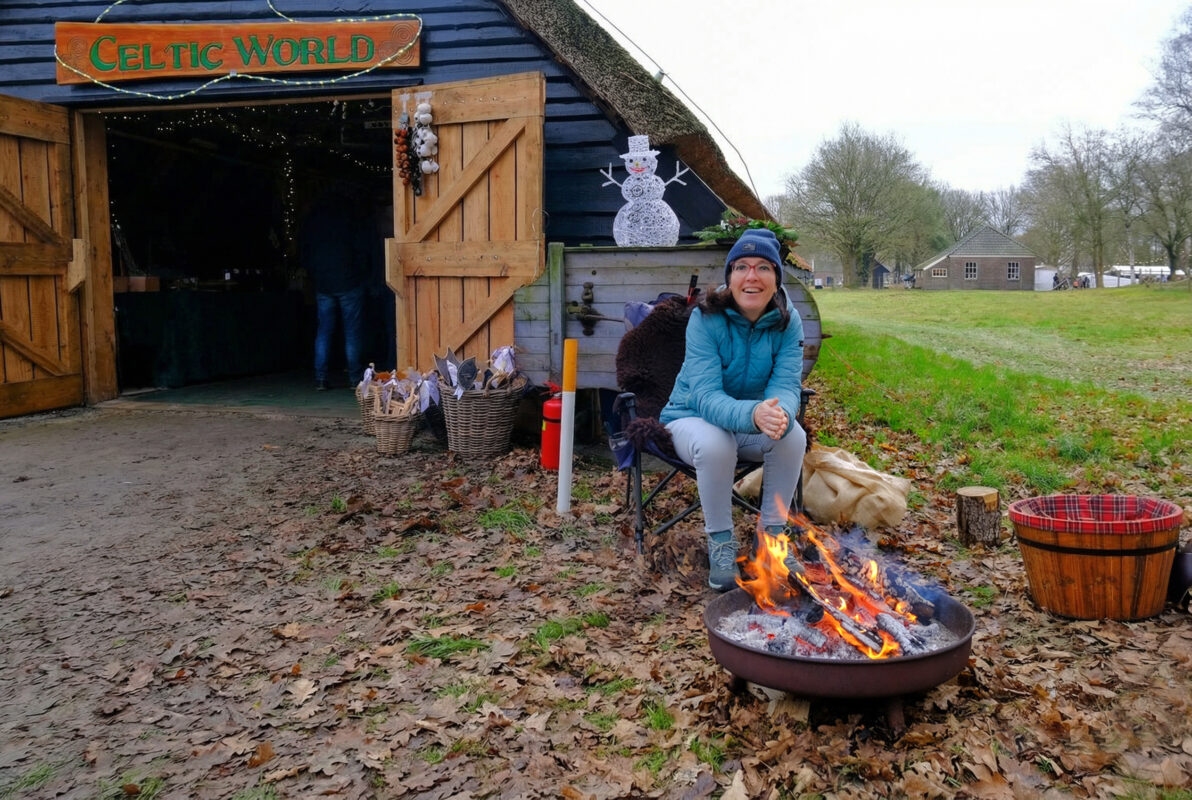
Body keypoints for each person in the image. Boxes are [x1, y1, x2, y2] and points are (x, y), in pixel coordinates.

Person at [660, 228, 807, 591]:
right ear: (730, 278)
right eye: (741, 267)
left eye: (763, 267)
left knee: (792, 434)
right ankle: (722, 544)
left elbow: (786, 385)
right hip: (689, 416)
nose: (751, 276)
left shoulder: (789, 321)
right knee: (715, 444)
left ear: (777, 278)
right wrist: (754, 415)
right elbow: (706, 395)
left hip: (748, 419)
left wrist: (780, 413)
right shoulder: (706, 318)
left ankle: (772, 539)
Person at [299, 184, 369, 390]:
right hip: (349, 280)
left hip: (323, 283)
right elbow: (361, 248)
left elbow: (305, 249)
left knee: (324, 331)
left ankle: (320, 378)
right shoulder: (351, 216)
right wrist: (361, 273)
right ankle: (355, 379)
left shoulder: (314, 218)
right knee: (352, 332)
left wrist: (314, 274)